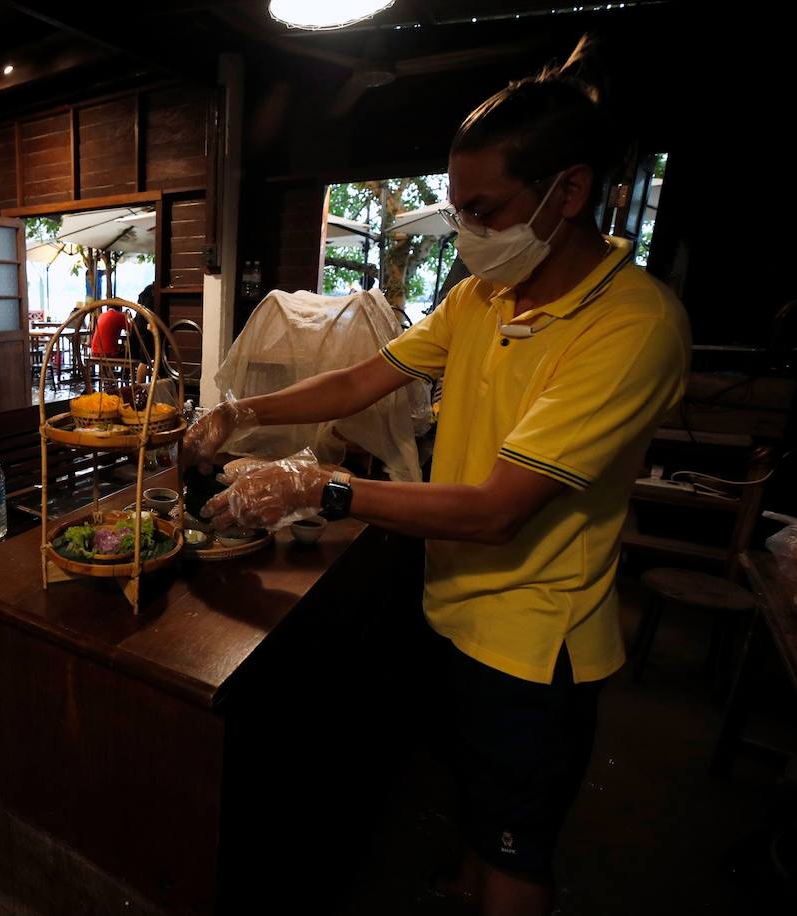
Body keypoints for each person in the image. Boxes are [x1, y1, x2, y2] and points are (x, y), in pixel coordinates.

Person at [183, 36, 689, 916]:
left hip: (536, 645)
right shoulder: (480, 299)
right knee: (470, 787)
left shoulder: (632, 326)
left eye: (486, 211)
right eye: (459, 211)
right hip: (452, 604)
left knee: (519, 852)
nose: (470, 235)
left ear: (569, 191)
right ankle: (463, 876)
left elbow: (498, 510)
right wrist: (245, 410)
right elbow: (359, 378)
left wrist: (318, 487)